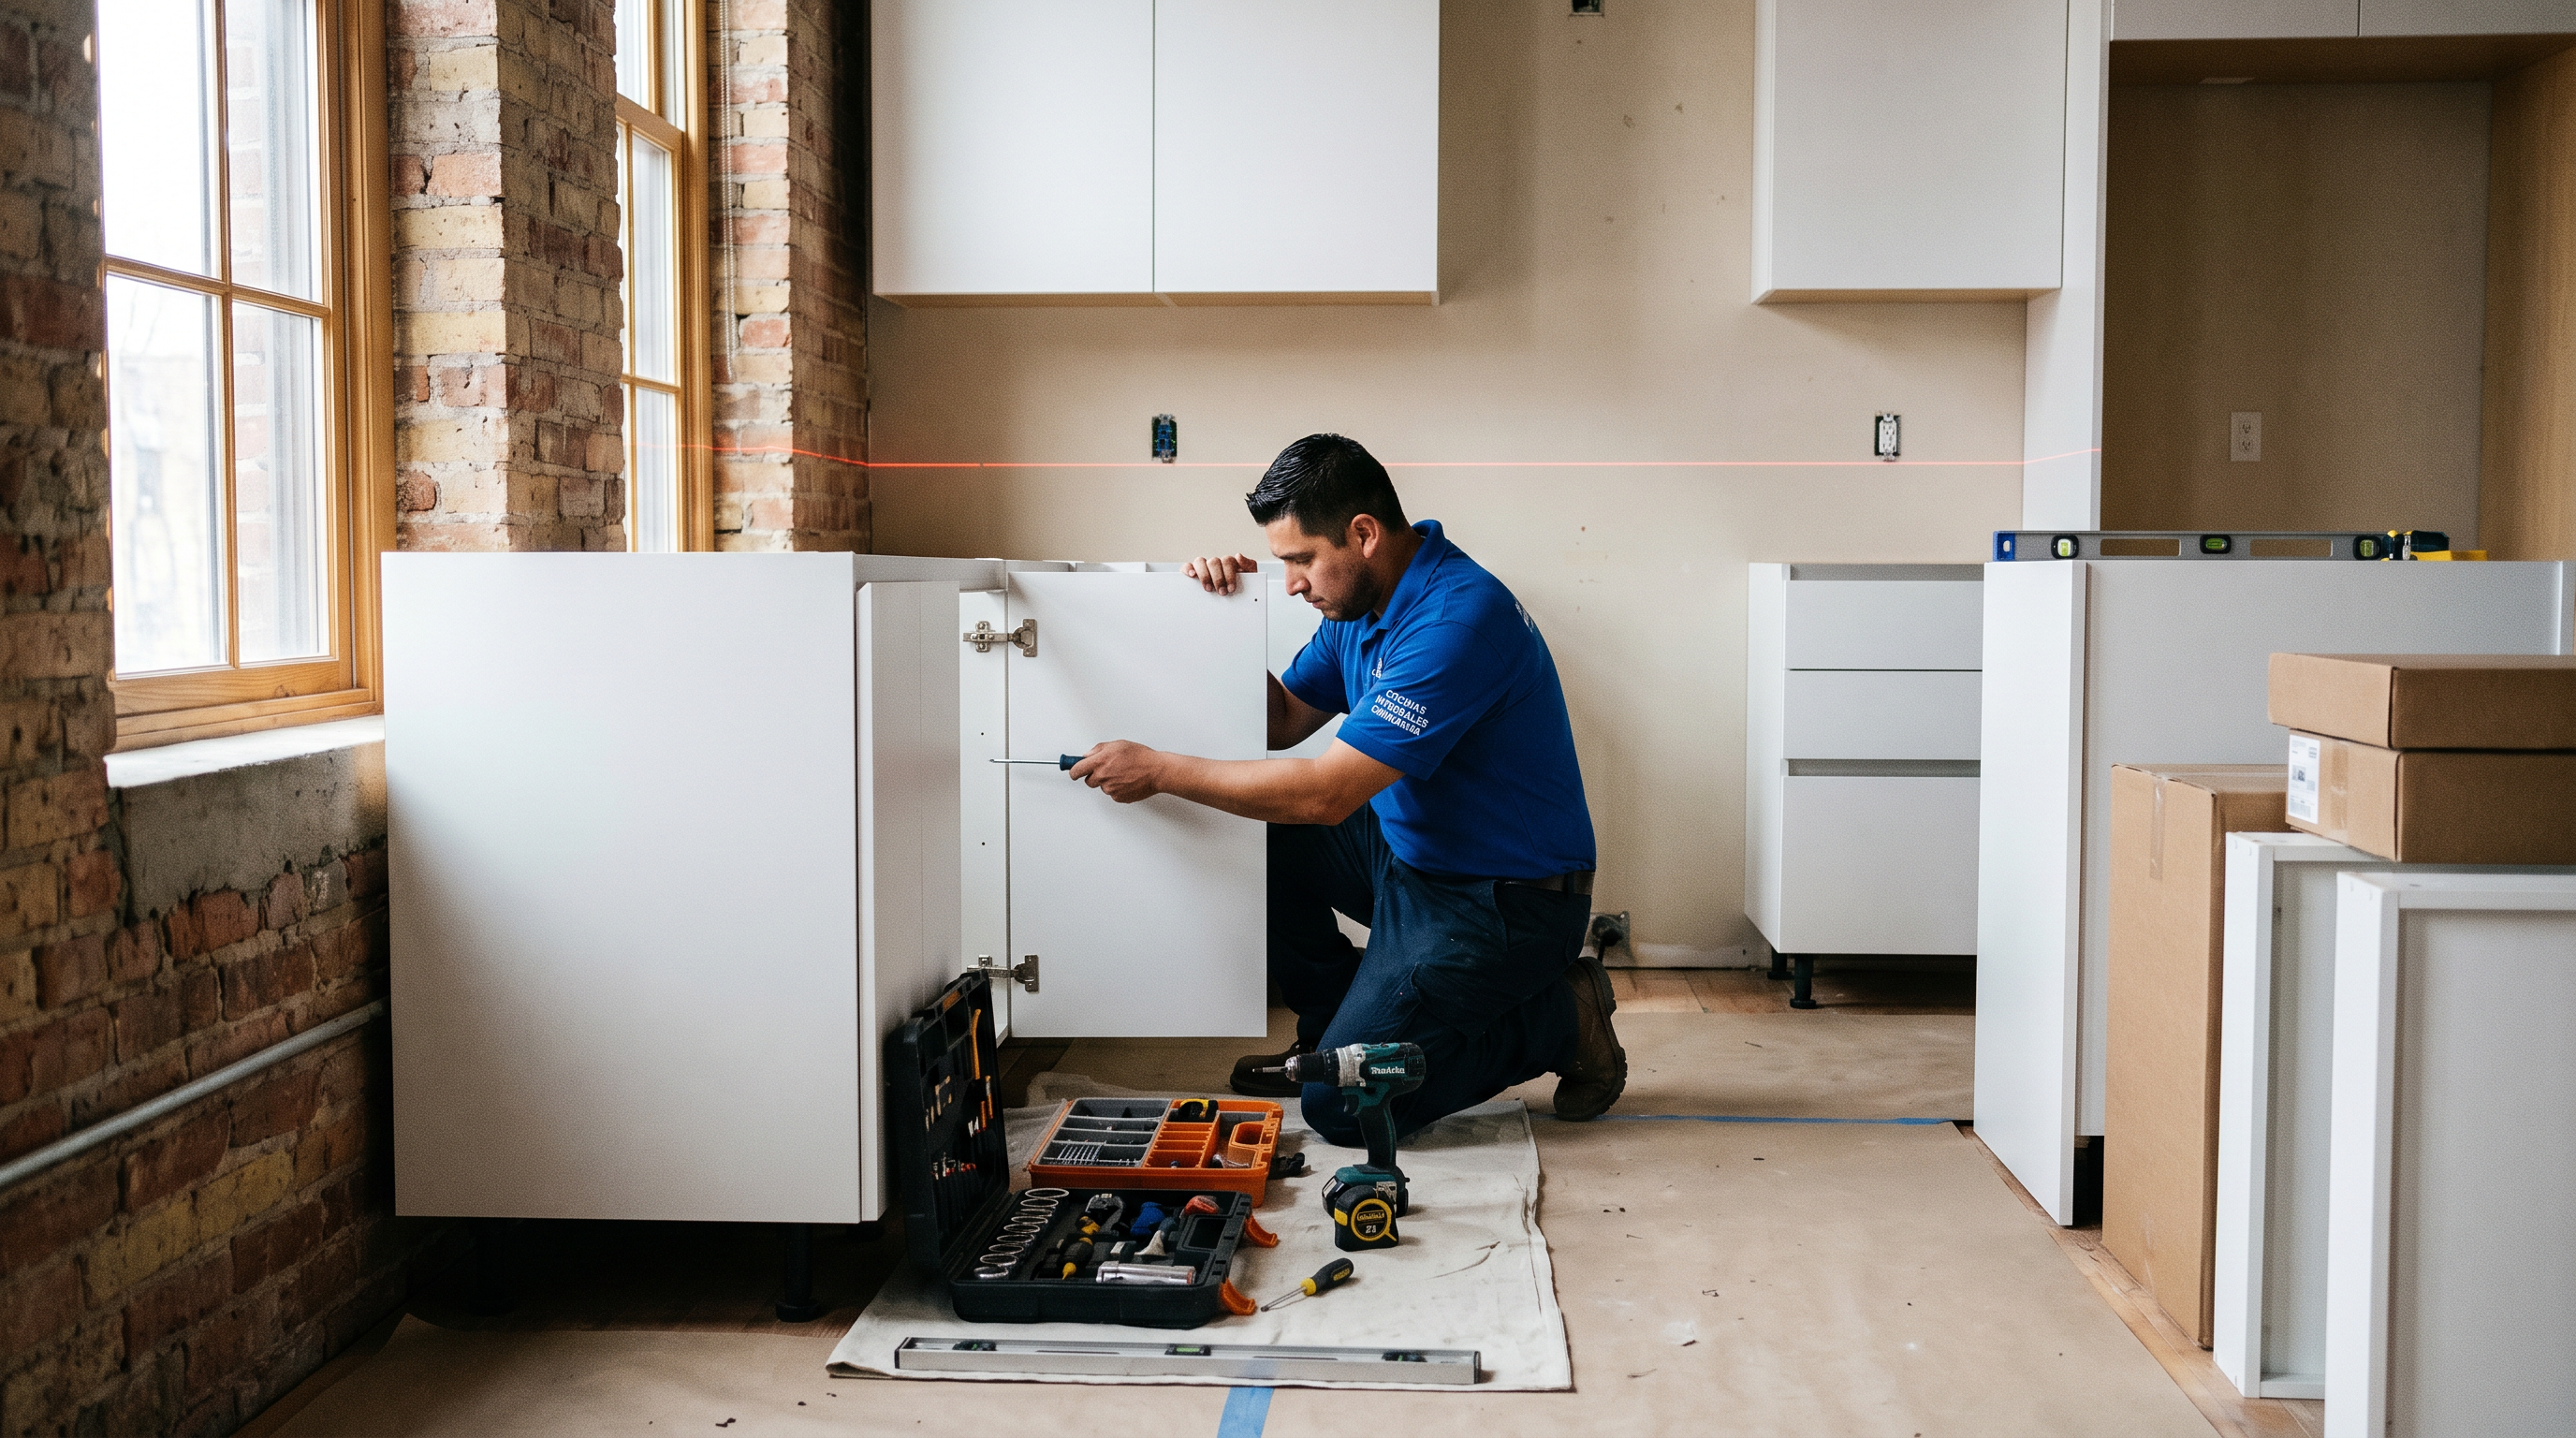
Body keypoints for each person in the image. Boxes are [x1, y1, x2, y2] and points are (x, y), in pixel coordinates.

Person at [1066, 433, 1625, 1147]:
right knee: (1256, 829)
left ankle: (1559, 1017)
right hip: (1411, 857)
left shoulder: (1456, 621)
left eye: (1301, 559)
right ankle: (1329, 1037)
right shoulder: (1360, 607)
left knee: (1342, 1110)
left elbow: (1324, 795)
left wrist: (1160, 771)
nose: (1294, 582)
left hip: (1504, 903)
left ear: (1363, 534)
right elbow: (1280, 722)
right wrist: (1218, 617)